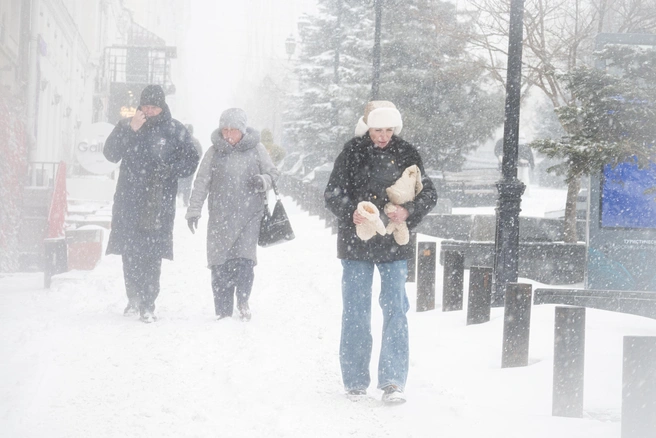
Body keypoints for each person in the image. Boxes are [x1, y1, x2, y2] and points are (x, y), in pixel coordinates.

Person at [324, 101, 437, 404]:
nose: (383, 135)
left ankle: (393, 381)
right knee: (357, 312)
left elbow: (428, 192)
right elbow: (332, 193)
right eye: (378, 129)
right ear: (368, 127)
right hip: (356, 242)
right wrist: (352, 213)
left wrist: (408, 211)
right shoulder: (351, 151)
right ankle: (355, 381)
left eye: (389, 129)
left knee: (396, 310)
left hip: (393, 244)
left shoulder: (408, 153)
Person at [104, 84, 200, 323]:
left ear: (162, 106)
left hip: (158, 202)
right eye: (146, 105)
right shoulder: (128, 125)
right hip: (129, 199)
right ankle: (133, 298)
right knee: (130, 251)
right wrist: (129, 129)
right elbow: (110, 153)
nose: (149, 110)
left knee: (152, 254)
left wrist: (170, 170)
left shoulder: (175, 130)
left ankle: (148, 303)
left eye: (154, 106)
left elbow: (191, 160)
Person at [185, 108, 279, 321]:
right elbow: (201, 182)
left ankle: (243, 300)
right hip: (220, 217)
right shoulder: (214, 152)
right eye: (225, 129)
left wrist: (262, 181)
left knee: (245, 260)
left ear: (243, 130)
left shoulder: (257, 149)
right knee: (220, 263)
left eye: (233, 130)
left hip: (250, 215)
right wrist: (194, 210)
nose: (228, 134)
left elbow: (273, 173)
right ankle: (223, 309)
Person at [177, 124, 203, 207]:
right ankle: (185, 200)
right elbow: (200, 152)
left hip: (180, 167)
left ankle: (178, 196)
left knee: (179, 182)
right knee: (187, 184)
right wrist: (194, 162)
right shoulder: (195, 141)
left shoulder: (179, 140)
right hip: (190, 167)